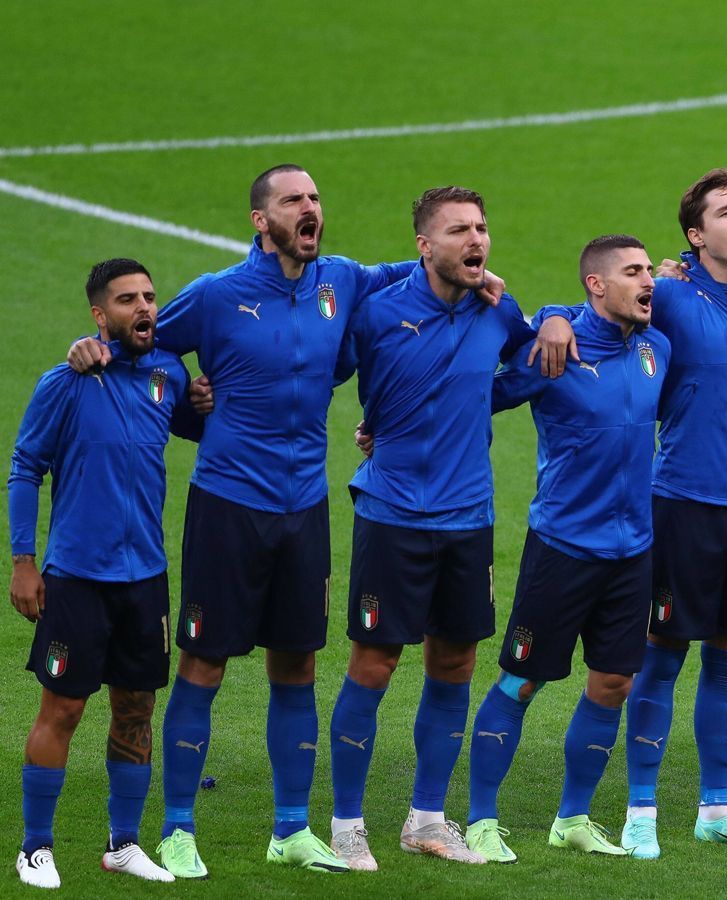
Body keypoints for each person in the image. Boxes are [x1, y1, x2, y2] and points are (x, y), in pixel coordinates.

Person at [63, 164, 505, 876]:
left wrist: (494, 283)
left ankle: (292, 829)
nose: (311, 208)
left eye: (316, 198)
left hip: (306, 507)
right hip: (229, 504)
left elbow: (426, 268)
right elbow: (147, 345)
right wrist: (124, 367)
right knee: (204, 664)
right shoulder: (216, 297)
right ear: (260, 221)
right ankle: (178, 829)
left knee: (296, 666)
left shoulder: (343, 281)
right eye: (292, 200)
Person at [526, 169, 727, 857]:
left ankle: (717, 808)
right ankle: (641, 810)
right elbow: (595, 308)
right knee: (663, 654)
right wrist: (552, 316)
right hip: (682, 502)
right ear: (695, 234)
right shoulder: (671, 295)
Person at [325, 187, 533, 869]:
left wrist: (555, 321)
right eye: (458, 231)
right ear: (424, 246)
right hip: (393, 516)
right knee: (375, 663)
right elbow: (311, 371)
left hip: (469, 518)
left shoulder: (500, 310)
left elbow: (529, 368)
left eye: (481, 227)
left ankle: (426, 820)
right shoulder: (379, 312)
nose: (476, 240)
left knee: (455, 664)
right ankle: (346, 825)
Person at [464, 234, 670, 857]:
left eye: (648, 269)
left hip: (633, 550)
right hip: (563, 548)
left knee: (613, 683)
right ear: (596, 285)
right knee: (521, 682)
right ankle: (479, 820)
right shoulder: (554, 351)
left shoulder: (656, 348)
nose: (647, 281)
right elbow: (476, 397)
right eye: (633, 272)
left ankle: (572, 820)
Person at [11, 259, 202, 888]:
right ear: (99, 315)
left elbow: (200, 425)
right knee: (62, 710)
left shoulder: (166, 373)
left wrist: (205, 399)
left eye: (149, 297)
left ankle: (123, 843)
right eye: (127, 300)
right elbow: (24, 469)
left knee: (136, 709)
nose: (144, 307)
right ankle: (35, 846)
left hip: (146, 577)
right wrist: (23, 563)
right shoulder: (63, 382)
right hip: (76, 577)